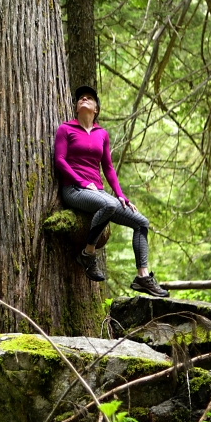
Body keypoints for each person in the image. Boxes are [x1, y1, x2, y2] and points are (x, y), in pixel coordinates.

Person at [53, 85, 169, 298]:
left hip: (99, 193)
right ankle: (88, 253)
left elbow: (107, 167)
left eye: (89, 98)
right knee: (109, 204)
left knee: (141, 222)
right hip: (74, 190)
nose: (84, 100)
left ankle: (142, 276)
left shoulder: (101, 134)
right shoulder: (66, 129)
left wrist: (121, 195)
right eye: (80, 98)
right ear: (76, 107)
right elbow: (59, 160)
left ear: (96, 109)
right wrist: (80, 181)